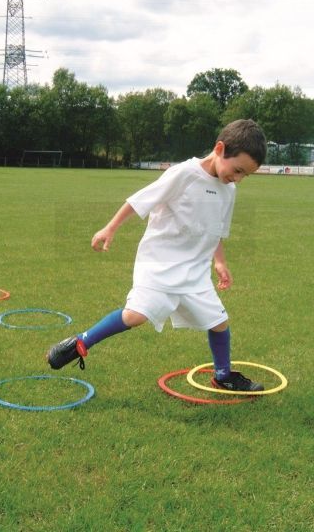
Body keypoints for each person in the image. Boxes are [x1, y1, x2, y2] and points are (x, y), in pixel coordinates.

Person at [47, 119, 267, 391]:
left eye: (246, 175)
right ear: (220, 148)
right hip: (160, 263)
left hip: (195, 270)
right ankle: (80, 342)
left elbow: (216, 230)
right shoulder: (183, 174)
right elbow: (140, 199)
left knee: (219, 322)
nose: (238, 178)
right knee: (135, 316)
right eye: (237, 170)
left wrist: (219, 261)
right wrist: (110, 228)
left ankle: (224, 376)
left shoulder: (228, 190)